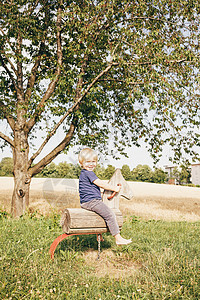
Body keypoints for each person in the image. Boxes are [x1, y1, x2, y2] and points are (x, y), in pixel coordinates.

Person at [78, 147, 132, 245]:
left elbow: (90, 188)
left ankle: (99, 236)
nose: (91, 164)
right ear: (81, 163)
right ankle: (118, 238)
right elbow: (100, 183)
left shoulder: (83, 174)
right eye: (87, 162)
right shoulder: (89, 173)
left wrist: (101, 193)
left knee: (100, 215)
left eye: (93, 161)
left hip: (87, 201)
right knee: (110, 214)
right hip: (91, 202)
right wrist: (114, 188)